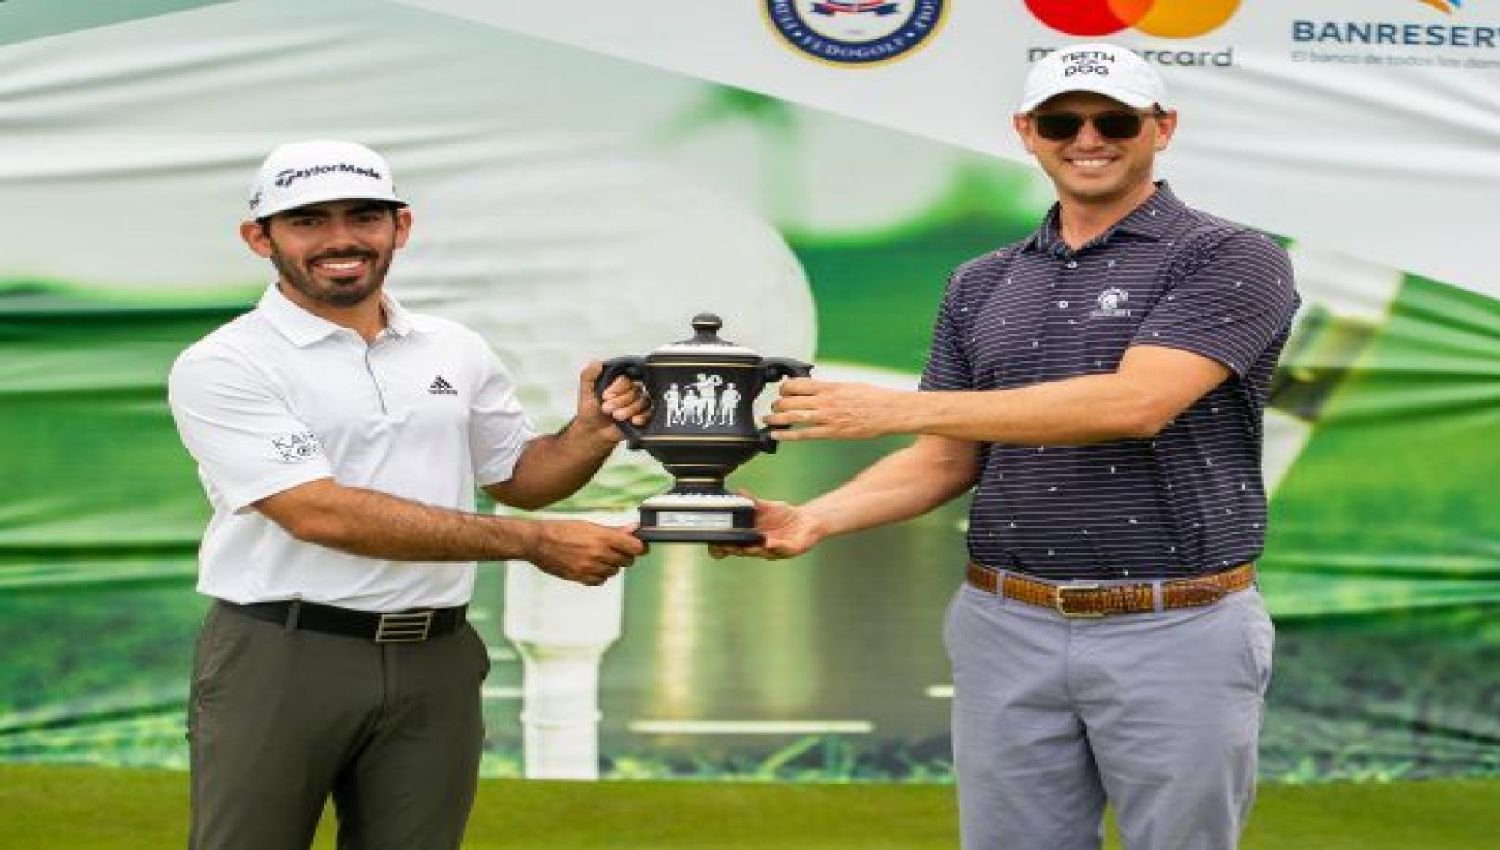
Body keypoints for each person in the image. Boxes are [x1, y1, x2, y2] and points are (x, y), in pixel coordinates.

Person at [714, 44, 1299, 850]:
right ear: (1027, 132)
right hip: (1005, 622)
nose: (1087, 138)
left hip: (1177, 623)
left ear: (1161, 128)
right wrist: (815, 518)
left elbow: (1138, 403)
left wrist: (895, 407)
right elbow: (946, 456)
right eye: (1061, 121)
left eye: (1114, 120)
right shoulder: (981, 281)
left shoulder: (1229, 255)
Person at [167, 139, 648, 850]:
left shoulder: (455, 347)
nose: (341, 239)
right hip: (283, 651)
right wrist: (535, 544)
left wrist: (589, 434)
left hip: (436, 656)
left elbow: (520, 478)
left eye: (364, 216)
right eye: (308, 221)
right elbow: (316, 511)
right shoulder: (224, 362)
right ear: (259, 238)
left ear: (402, 226)